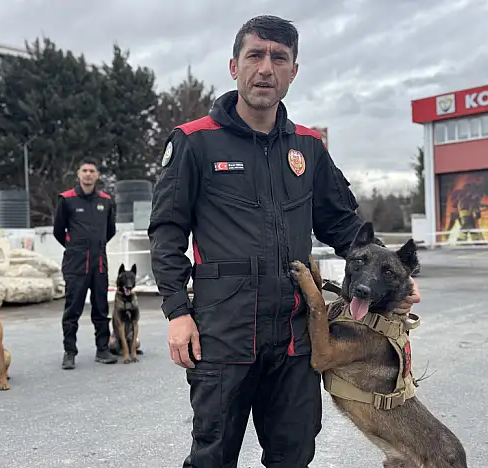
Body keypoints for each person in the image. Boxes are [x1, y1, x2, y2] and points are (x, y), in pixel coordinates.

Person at [148, 15, 421, 467]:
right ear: (233, 66)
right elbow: (167, 231)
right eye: (254, 55)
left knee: (294, 455)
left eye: (279, 58)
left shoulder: (309, 148)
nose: (265, 68)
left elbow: (346, 228)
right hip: (223, 333)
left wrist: (398, 278)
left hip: (295, 337)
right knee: (212, 455)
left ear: (294, 71)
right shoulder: (196, 143)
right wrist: (178, 313)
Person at [52, 157, 118, 369]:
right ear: (78, 174)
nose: (88, 174)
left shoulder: (106, 201)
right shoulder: (67, 199)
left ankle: (103, 349)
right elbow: (58, 231)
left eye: (92, 171)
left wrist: (96, 247)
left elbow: (110, 231)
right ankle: (69, 352)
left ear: (97, 175)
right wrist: (75, 248)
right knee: (73, 309)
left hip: (99, 264)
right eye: (84, 171)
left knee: (101, 309)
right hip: (76, 265)